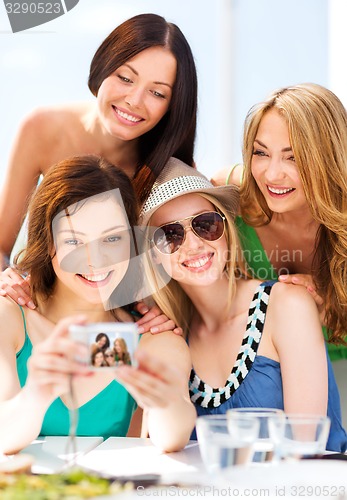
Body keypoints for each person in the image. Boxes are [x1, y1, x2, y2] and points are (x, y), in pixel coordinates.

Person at [139, 157, 347, 452]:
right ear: (154, 254)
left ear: (227, 229)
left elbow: (305, 450)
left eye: (205, 225)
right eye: (170, 236)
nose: (194, 244)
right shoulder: (170, 336)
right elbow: (157, 444)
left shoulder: (287, 305)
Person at [0, 155, 195, 455]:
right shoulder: (9, 318)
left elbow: (171, 437)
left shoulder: (151, 337)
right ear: (46, 242)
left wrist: (164, 397)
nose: (95, 260)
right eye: (75, 242)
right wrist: (37, 391)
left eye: (112, 239)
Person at [0, 12, 197, 271]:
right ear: (103, 66)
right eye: (125, 78)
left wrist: (151, 308)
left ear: (172, 106)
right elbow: (2, 247)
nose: (135, 100)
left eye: (157, 93)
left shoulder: (173, 171)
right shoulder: (42, 128)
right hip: (41, 294)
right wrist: (7, 283)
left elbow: (181, 266)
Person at [212, 83, 347, 362]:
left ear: (329, 158)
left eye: (293, 157)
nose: (272, 175)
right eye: (261, 153)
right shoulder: (233, 194)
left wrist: (329, 311)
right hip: (267, 370)